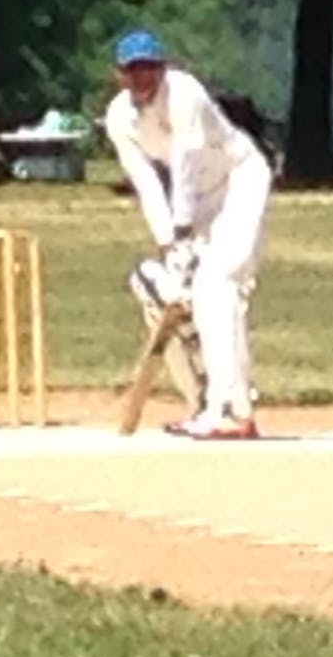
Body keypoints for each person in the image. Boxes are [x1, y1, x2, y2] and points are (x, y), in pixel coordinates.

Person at [104, 28, 272, 440]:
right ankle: (208, 401)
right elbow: (146, 182)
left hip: (238, 181)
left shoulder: (185, 93)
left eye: (151, 67)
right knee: (171, 289)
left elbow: (185, 164)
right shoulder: (118, 117)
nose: (144, 77)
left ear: (163, 67)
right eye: (134, 70)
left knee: (218, 284)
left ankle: (233, 409)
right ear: (120, 75)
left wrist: (181, 234)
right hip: (197, 204)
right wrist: (168, 245)